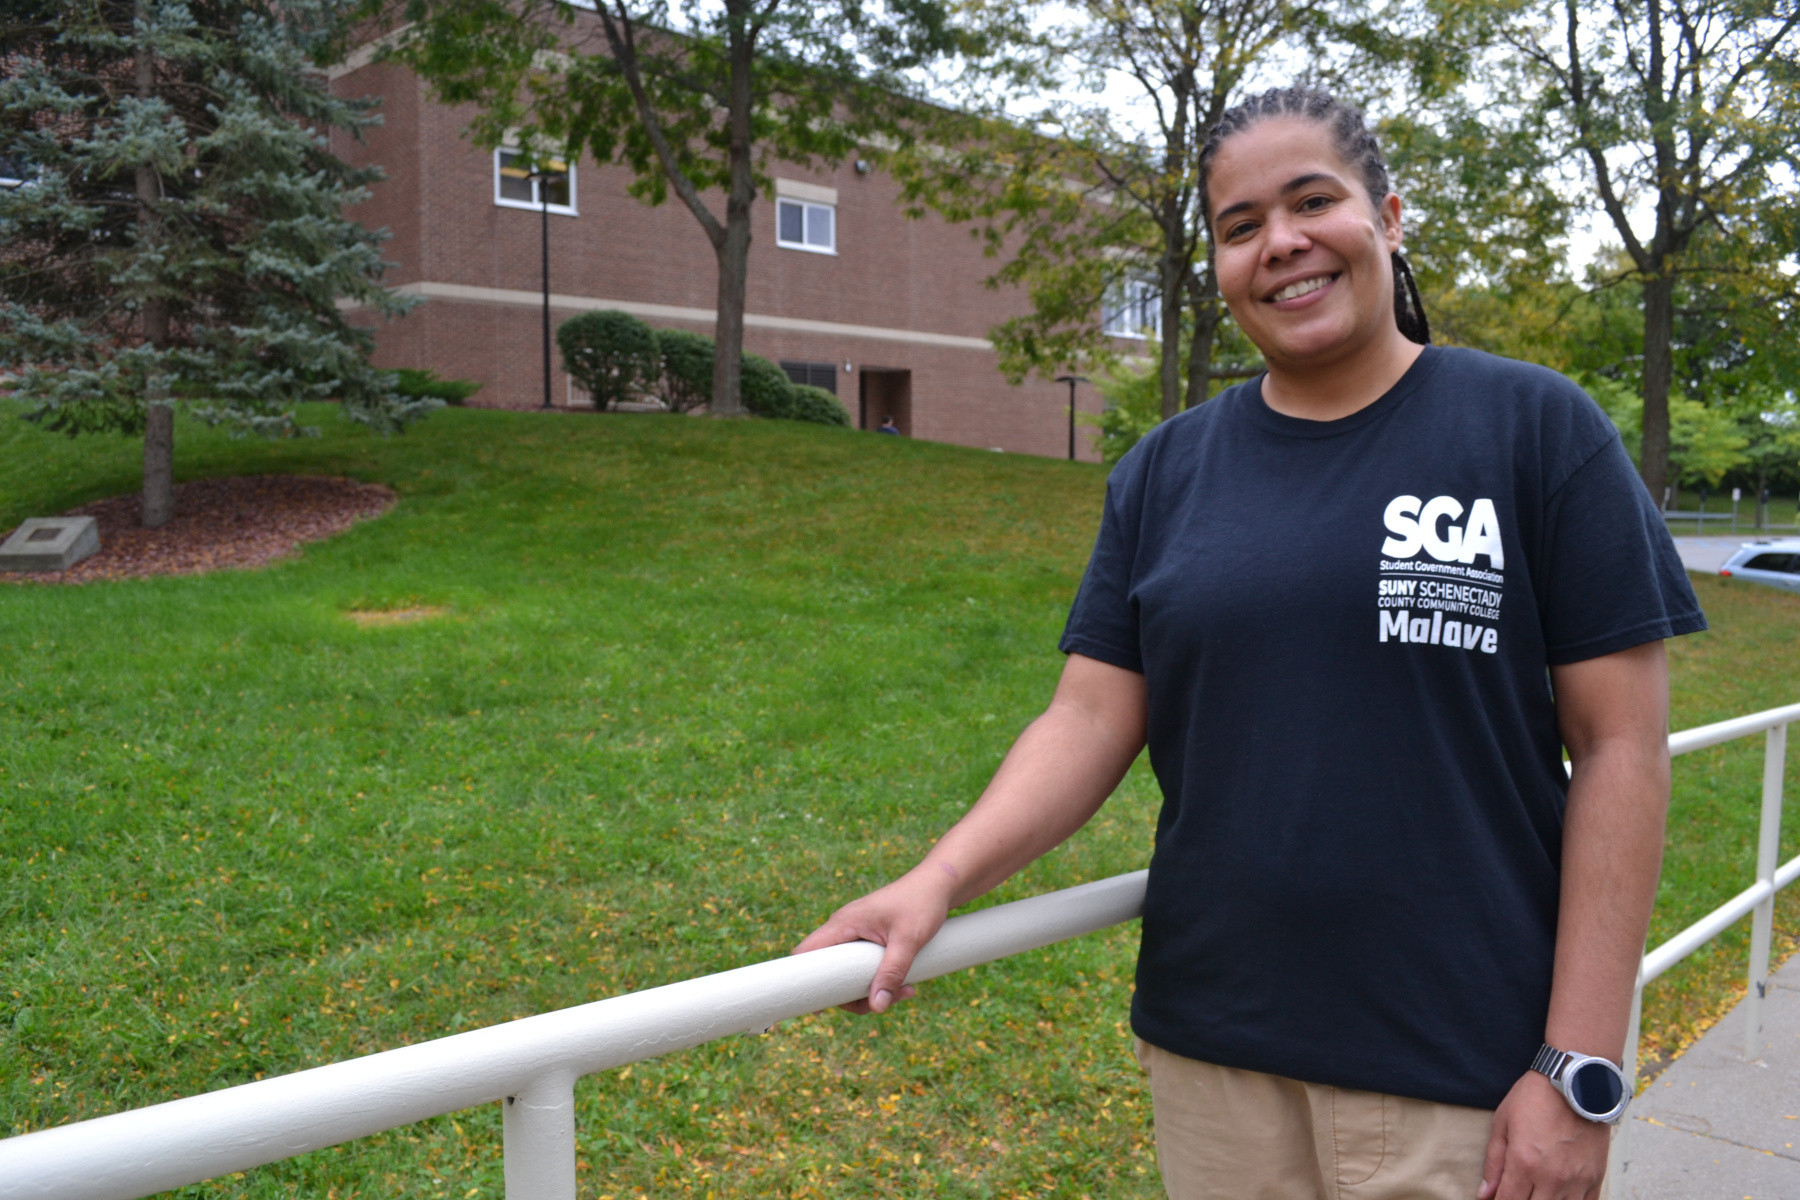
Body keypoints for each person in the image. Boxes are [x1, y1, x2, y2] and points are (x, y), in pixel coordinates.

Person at [795, 86, 1704, 1200]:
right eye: (1239, 227)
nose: (1282, 243)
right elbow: (1088, 717)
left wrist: (1577, 1068)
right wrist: (935, 881)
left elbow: (1622, 750)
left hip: (1466, 1070)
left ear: (1388, 215)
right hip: (1214, 1056)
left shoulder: (1533, 430)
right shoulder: (1166, 473)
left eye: (1313, 200)